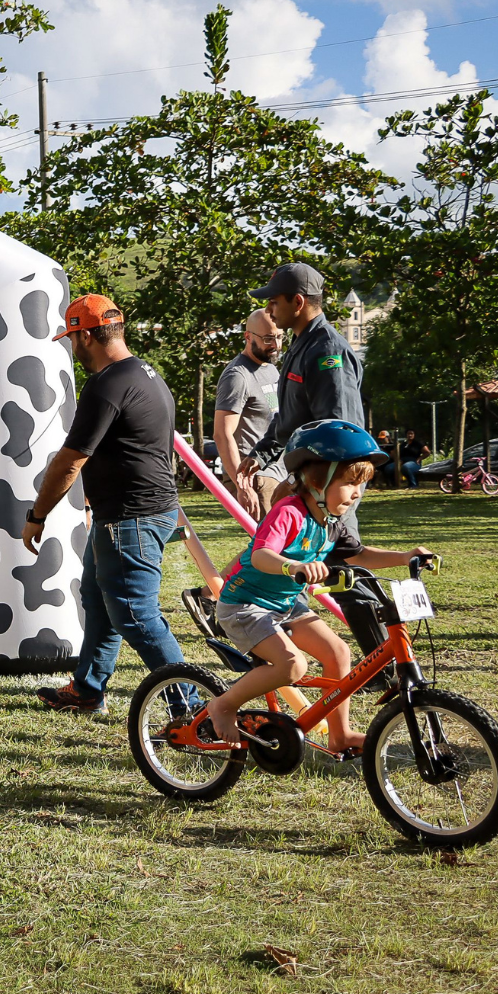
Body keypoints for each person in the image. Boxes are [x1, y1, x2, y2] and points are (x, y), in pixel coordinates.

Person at [203, 421, 434, 751]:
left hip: (286, 604)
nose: (357, 493)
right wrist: (294, 566)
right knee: (292, 666)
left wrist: (405, 555)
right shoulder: (289, 512)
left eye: (362, 485)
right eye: (350, 483)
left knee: (339, 653)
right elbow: (260, 554)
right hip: (245, 604)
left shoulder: (332, 524)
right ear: (316, 481)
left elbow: (359, 555)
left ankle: (340, 736)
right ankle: (223, 705)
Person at [25, 294, 186, 715]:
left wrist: (36, 515)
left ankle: (192, 708)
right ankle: (87, 688)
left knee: (135, 615)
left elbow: (70, 460)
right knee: (98, 600)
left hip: (131, 519)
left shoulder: (107, 382)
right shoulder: (146, 373)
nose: (71, 347)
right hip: (138, 512)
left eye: (72, 337)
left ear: (89, 335)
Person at [236, 263, 367, 539]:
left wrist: (298, 481)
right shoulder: (302, 344)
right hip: (315, 481)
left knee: (339, 561)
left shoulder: (326, 351)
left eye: (273, 301)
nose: (269, 310)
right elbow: (291, 415)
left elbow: (337, 432)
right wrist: (261, 453)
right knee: (304, 566)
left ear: (298, 302)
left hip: (331, 482)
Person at [213, 308, 284, 519]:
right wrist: (242, 485)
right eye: (268, 338)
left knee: (281, 547)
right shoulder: (237, 376)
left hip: (279, 471)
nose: (276, 345)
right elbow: (222, 434)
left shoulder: (270, 368)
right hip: (255, 476)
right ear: (248, 336)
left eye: (280, 337)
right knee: (268, 548)